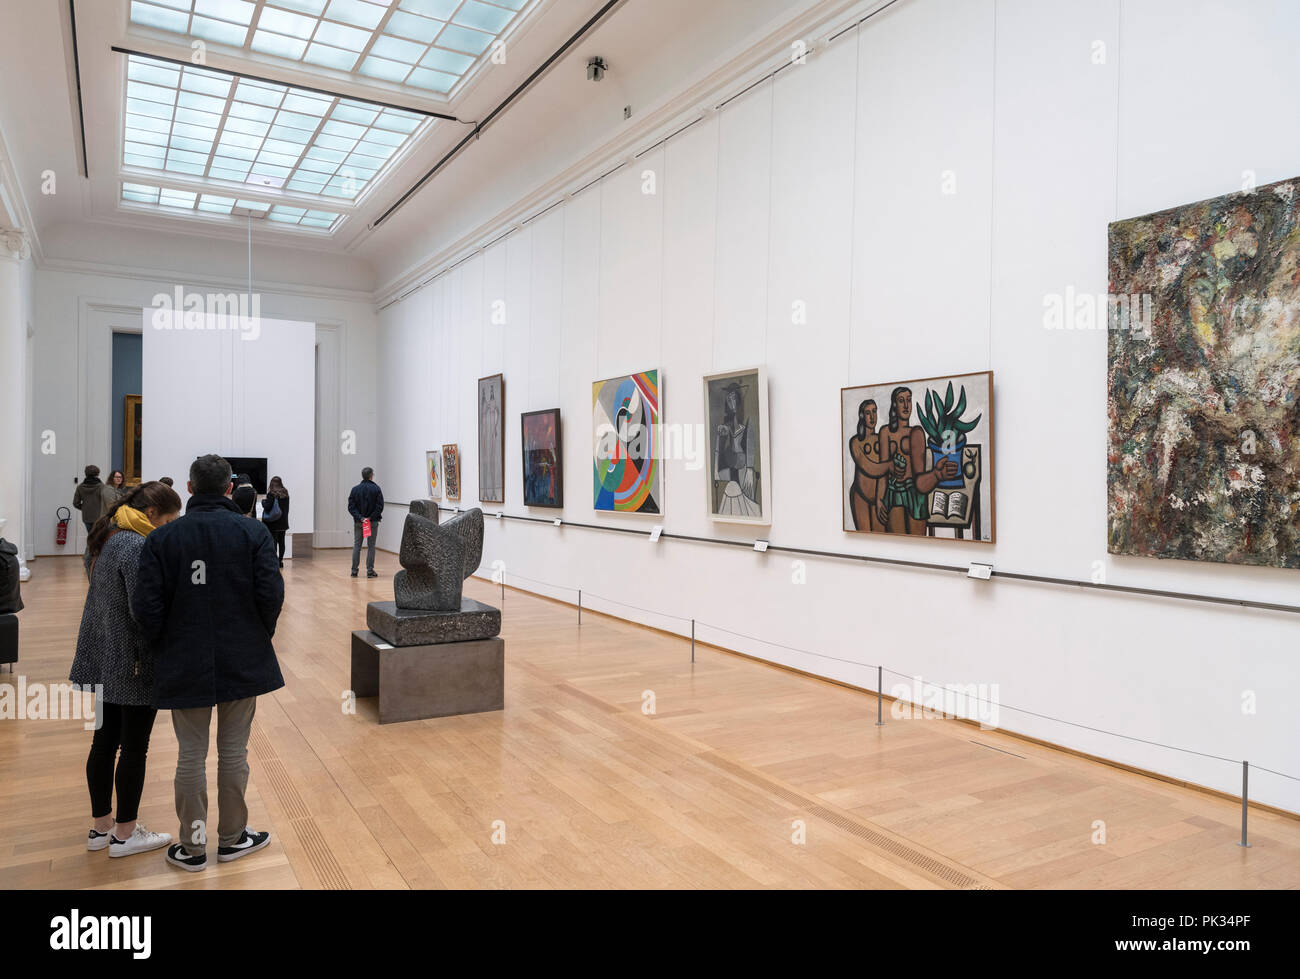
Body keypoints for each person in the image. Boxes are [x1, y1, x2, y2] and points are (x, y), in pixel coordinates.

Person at [132, 454, 283, 872]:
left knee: (190, 755)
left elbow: (146, 607)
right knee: (234, 753)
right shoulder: (252, 531)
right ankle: (233, 839)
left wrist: (167, 643)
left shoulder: (163, 539)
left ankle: (194, 847)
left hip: (185, 659)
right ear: (230, 489)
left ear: (190, 488)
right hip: (241, 656)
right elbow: (272, 595)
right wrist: (257, 637)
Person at [70, 480, 182, 858]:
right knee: (135, 748)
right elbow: (144, 610)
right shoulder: (137, 545)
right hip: (132, 661)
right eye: (169, 520)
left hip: (104, 653)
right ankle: (125, 834)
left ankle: (101, 828)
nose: (169, 528)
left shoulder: (107, 534)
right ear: (152, 515)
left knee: (104, 743)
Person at [347, 467, 384, 579]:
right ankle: (370, 571)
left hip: (359, 522)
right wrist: (370, 518)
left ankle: (354, 571)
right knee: (371, 546)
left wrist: (361, 517)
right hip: (372, 522)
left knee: (357, 546)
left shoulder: (355, 489)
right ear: (371, 476)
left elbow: (351, 507)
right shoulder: (376, 489)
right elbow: (380, 506)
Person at [262, 477, 290, 569]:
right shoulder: (285, 493)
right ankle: (280, 561)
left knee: (273, 542)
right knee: (282, 542)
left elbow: (268, 507)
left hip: (273, 523)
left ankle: (274, 561)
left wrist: (263, 502)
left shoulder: (271, 494)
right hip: (283, 522)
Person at [72, 465, 106, 535]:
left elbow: (76, 503)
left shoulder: (80, 487)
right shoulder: (102, 487)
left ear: (86, 474)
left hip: (86, 516)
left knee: (90, 537)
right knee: (98, 538)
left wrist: (84, 508)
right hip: (99, 516)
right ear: (97, 474)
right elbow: (106, 501)